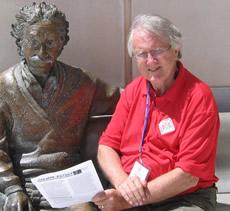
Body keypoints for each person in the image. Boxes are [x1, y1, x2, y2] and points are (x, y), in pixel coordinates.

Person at [0, 2, 120, 211]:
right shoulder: (1, 87)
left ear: (62, 43)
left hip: (66, 178)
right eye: (33, 42)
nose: (41, 52)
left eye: (50, 42)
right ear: (20, 42)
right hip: (15, 179)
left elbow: (127, 100)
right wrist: (12, 188)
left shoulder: (82, 82)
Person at [92, 13, 219, 211]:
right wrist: (123, 185)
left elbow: (187, 175)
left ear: (176, 50)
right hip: (129, 191)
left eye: (157, 51)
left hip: (182, 197)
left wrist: (127, 200)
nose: (150, 60)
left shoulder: (198, 97)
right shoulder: (133, 90)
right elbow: (106, 146)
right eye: (142, 53)